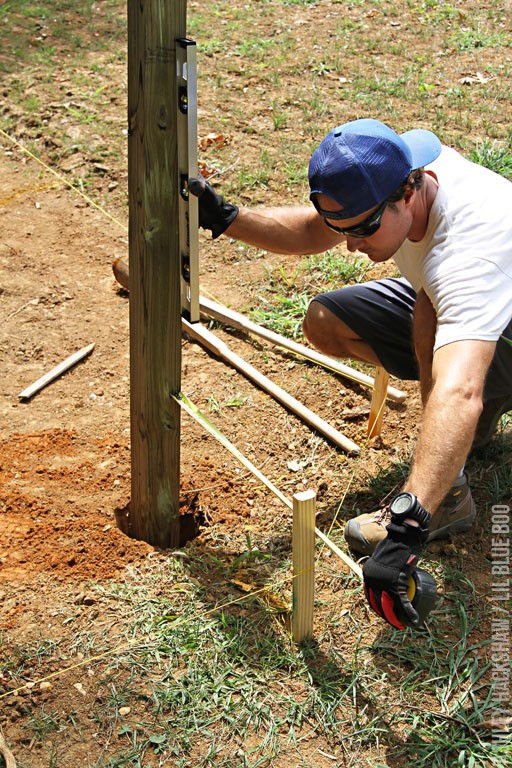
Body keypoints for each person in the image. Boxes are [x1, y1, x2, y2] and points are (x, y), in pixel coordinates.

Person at [189, 118, 512, 629]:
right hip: (469, 303)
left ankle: (448, 493)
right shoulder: (387, 174)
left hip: (499, 315)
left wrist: (407, 528)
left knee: (448, 348)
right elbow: (314, 229)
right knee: (331, 320)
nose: (350, 246)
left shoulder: (470, 254)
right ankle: (458, 456)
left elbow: (460, 391)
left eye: (361, 229)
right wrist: (227, 217)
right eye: (345, 227)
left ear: (408, 191)